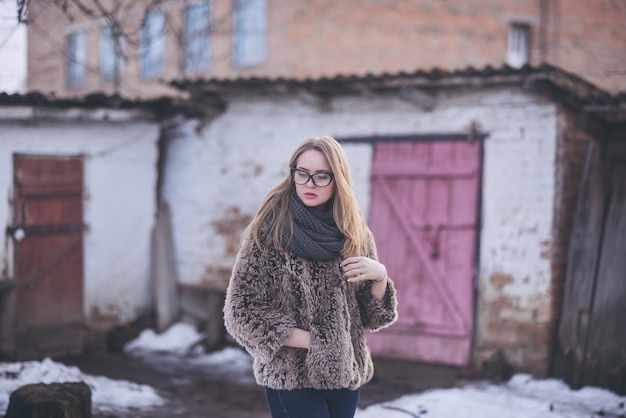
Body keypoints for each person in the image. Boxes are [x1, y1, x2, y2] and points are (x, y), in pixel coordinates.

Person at [223, 136, 398, 418]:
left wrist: (380, 277)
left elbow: (371, 317)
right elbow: (241, 312)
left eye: (321, 176)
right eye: (302, 174)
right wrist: (316, 341)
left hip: (346, 376)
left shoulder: (355, 234)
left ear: (337, 179)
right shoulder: (270, 231)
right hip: (293, 377)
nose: (309, 184)